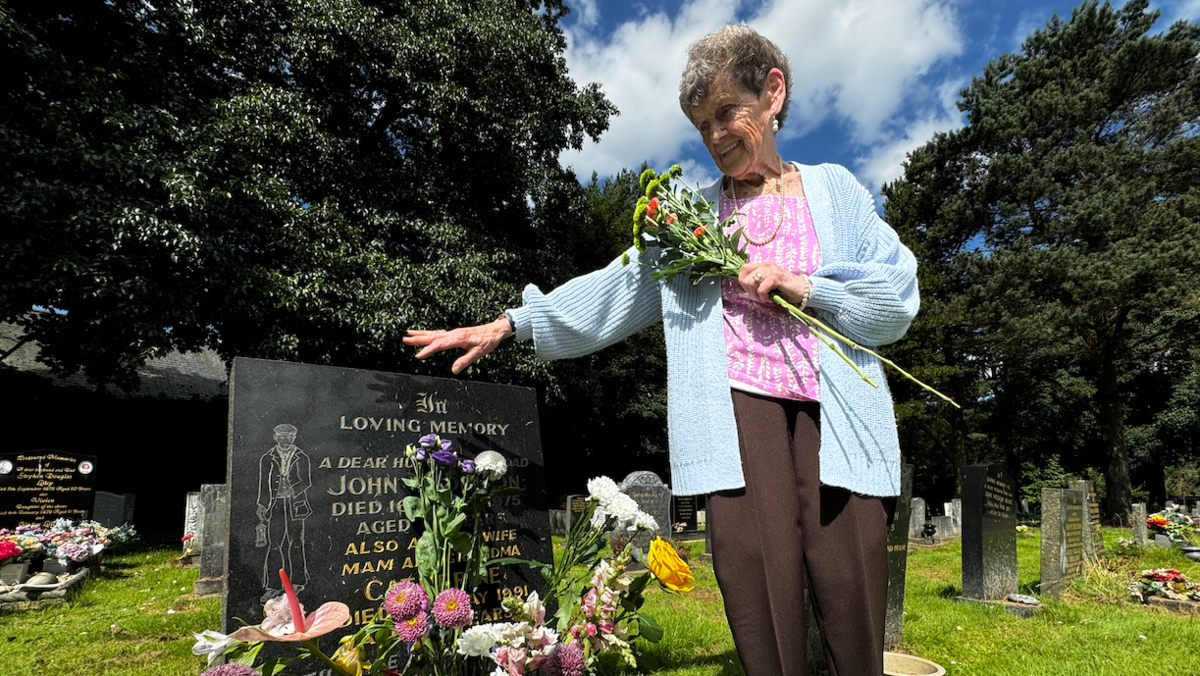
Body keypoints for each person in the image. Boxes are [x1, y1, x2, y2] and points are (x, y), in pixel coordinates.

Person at [404, 24, 917, 676]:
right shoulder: (687, 218)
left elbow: (893, 298)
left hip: (834, 407)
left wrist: (809, 287)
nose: (716, 137)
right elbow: (616, 289)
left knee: (850, 580)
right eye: (701, 125)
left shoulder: (836, 191)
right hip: (738, 410)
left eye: (728, 112)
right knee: (758, 573)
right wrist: (514, 322)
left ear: (773, 93)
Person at [256, 423, 313, 601]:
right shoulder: (268, 458)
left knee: (296, 542)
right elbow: (264, 484)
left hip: (295, 504)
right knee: (274, 544)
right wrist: (262, 505)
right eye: (282, 436)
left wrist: (293, 487)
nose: (285, 439)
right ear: (275, 437)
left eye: (289, 436)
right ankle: (273, 585)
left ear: (294, 437)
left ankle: (298, 582)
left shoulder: (301, 457)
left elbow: (307, 481)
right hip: (276, 504)